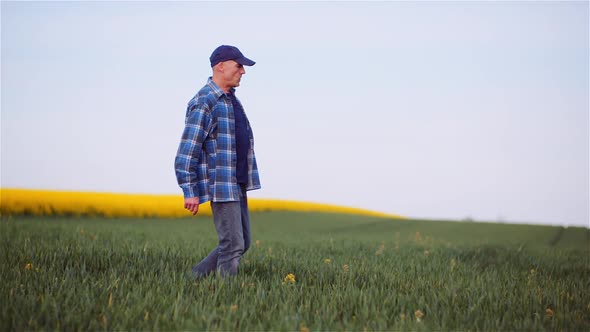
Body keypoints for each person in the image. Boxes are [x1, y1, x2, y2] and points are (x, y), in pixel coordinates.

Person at [175, 45, 261, 278]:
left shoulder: (230, 100)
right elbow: (186, 150)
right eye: (239, 66)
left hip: (237, 182)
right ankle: (225, 298)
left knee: (242, 242)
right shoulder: (205, 101)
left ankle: (194, 277)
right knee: (232, 244)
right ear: (220, 66)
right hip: (221, 185)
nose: (243, 71)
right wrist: (189, 189)